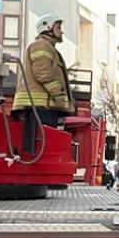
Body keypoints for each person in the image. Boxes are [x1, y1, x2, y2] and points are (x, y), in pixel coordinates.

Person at [11, 14, 75, 155]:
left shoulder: (47, 47)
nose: (61, 31)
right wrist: (58, 93)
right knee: (42, 145)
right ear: (48, 28)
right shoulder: (42, 46)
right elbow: (42, 72)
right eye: (58, 27)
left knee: (40, 145)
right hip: (42, 106)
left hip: (43, 106)